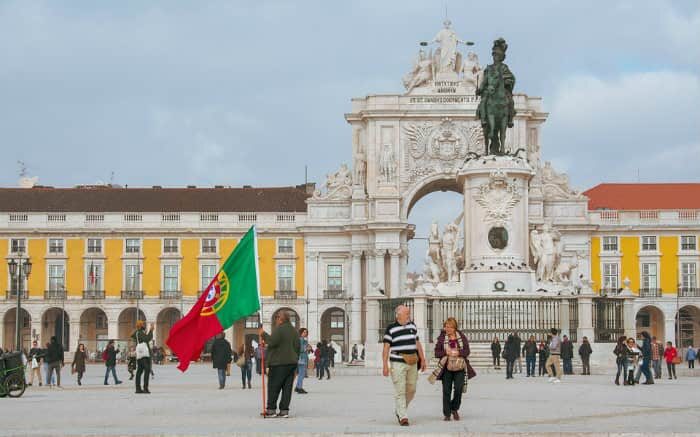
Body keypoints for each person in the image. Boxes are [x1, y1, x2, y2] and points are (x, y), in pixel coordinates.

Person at [382, 305, 427, 427]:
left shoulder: (412, 326)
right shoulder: (390, 329)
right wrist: (385, 365)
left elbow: (417, 343)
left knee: (412, 389)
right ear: (398, 315)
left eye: (409, 313)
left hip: (412, 361)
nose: (409, 316)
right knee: (400, 390)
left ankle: (400, 409)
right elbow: (386, 348)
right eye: (407, 314)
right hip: (397, 362)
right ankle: (403, 416)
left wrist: (423, 359)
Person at [259, 310, 301, 418]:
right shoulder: (294, 331)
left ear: (281, 319)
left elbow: (272, 341)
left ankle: (271, 410)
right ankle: (284, 411)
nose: (276, 320)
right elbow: (298, 348)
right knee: (287, 388)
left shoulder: (280, 329)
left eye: (277, 317)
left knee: (274, 386)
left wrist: (263, 334)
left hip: (278, 363)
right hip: (291, 363)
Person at [429, 318, 470, 421]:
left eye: (450, 327)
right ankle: (447, 414)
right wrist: (445, 352)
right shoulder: (442, 338)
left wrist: (459, 353)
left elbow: (467, 351)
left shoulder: (461, 337)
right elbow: (436, 353)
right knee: (446, 390)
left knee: (459, 388)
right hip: (446, 367)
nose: (448, 329)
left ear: (454, 327)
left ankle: (454, 408)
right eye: (446, 326)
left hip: (459, 366)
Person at [131, 320, 154, 394]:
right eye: (143, 324)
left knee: (139, 371)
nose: (144, 325)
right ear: (140, 325)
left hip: (140, 354)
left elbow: (140, 338)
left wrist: (147, 331)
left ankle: (138, 388)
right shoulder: (140, 332)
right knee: (147, 369)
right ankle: (145, 388)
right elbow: (147, 339)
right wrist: (151, 331)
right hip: (144, 354)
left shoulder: (138, 333)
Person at [295, 328, 309, 394]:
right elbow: (300, 349)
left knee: (301, 374)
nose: (305, 333)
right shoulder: (301, 340)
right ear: (301, 333)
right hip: (302, 359)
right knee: (302, 374)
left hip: (302, 358)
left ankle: (298, 387)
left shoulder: (302, 340)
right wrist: (307, 348)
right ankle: (299, 388)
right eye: (304, 332)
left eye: (306, 332)